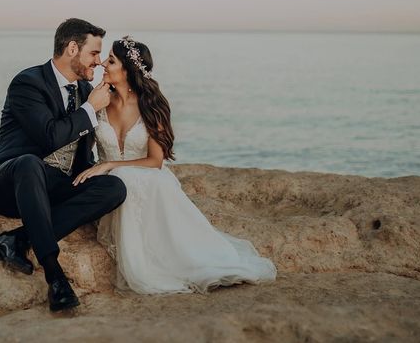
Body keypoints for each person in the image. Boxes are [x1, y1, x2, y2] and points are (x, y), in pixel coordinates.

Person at [0, 18, 127, 311]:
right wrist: (91, 109)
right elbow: (50, 136)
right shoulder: (27, 83)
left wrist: (94, 169)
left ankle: (16, 239)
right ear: (71, 49)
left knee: (114, 187)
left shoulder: (84, 88)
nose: (99, 61)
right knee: (30, 163)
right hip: (13, 181)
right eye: (94, 53)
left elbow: (83, 148)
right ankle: (55, 276)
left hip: (54, 186)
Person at [74, 36, 277, 294]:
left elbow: (155, 161)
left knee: (126, 178)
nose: (103, 63)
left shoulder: (151, 105)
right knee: (119, 181)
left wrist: (110, 165)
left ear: (127, 69)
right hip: (108, 188)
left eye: (111, 60)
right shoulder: (99, 100)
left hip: (147, 177)